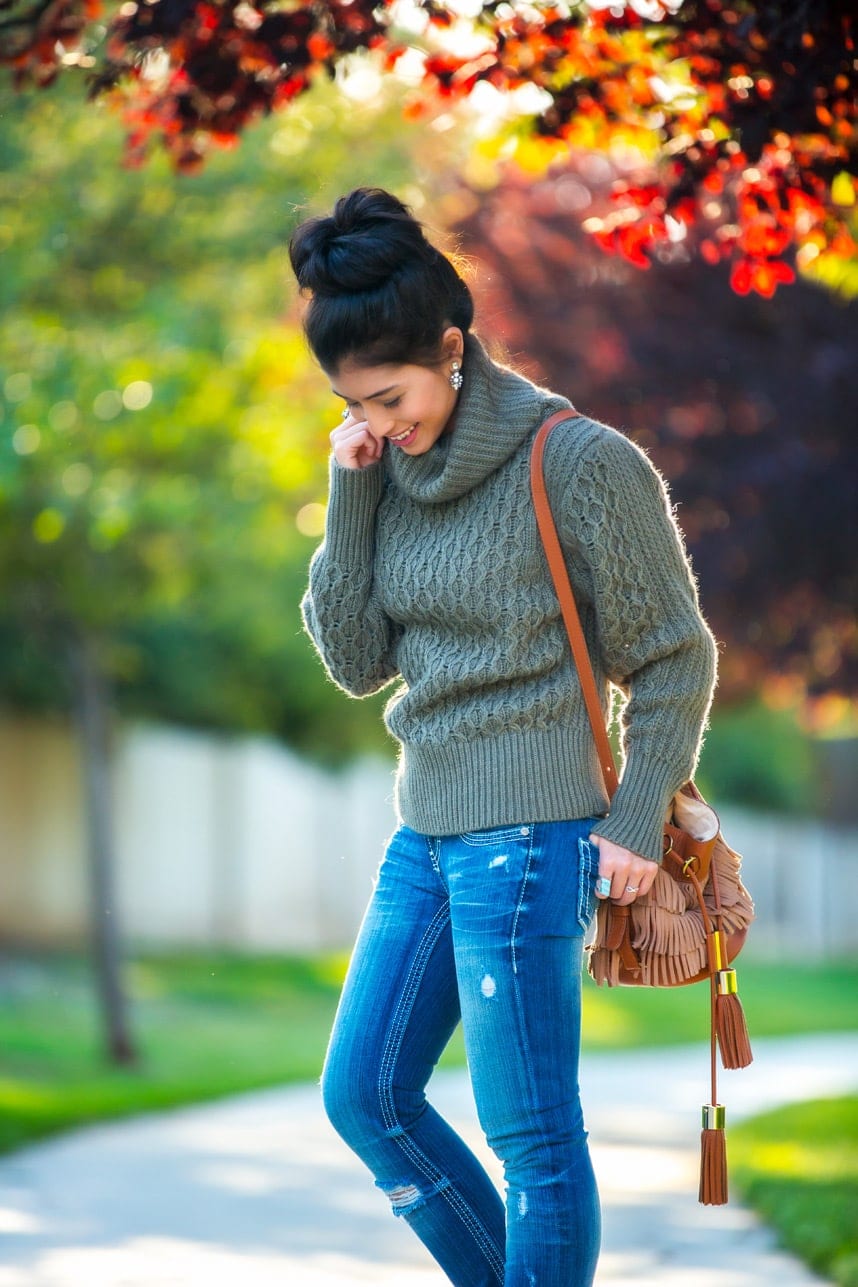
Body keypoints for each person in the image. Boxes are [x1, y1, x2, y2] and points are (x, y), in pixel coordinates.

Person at [289, 187, 717, 1287]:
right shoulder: (385, 473)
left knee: (530, 1134)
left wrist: (630, 822)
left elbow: (675, 656)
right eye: (353, 406)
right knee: (367, 1098)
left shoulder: (577, 462)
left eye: (389, 397)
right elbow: (352, 662)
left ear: (451, 346)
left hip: (532, 838)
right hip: (426, 830)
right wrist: (351, 498)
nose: (377, 424)